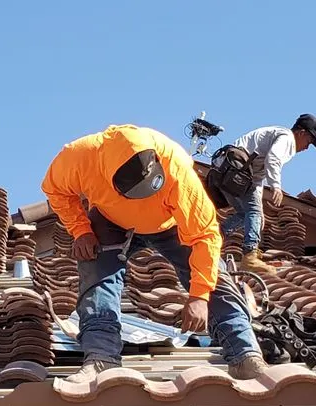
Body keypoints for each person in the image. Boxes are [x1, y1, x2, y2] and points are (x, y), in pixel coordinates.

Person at [41, 124, 268, 383]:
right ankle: (101, 357)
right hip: (110, 219)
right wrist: (81, 230)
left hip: (169, 224)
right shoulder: (79, 158)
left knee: (215, 277)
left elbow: (205, 235)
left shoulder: (177, 169)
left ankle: (245, 356)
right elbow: (54, 190)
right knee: (96, 274)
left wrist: (198, 297)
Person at [212, 114, 316, 274]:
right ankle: (250, 256)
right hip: (236, 169)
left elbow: (256, 179)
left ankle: (213, 235)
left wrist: (258, 211)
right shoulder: (286, 138)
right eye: (309, 141)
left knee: (246, 214)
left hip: (227, 171)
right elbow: (272, 159)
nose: (307, 147)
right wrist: (275, 186)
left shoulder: (279, 136)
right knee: (252, 212)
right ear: (301, 132)